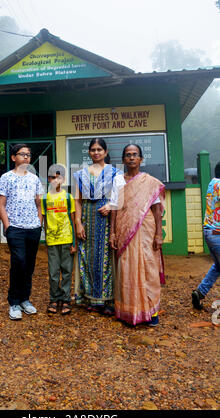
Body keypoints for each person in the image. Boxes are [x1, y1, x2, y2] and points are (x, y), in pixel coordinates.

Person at [110, 144, 165, 326]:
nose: (131, 158)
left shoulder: (149, 182)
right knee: (126, 268)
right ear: (123, 160)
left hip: (146, 230)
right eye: (128, 155)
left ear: (141, 159)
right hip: (123, 229)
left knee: (148, 267)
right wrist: (112, 233)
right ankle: (129, 311)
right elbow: (115, 209)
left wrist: (158, 234)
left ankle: (152, 311)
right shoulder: (118, 181)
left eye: (135, 155)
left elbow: (157, 209)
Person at [73, 138, 124, 314]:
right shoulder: (80, 174)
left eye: (99, 149)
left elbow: (121, 198)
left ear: (106, 152)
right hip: (87, 217)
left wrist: (110, 206)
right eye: (93, 150)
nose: (96, 152)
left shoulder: (116, 173)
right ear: (89, 152)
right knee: (87, 256)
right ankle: (89, 297)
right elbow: (77, 201)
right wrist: (78, 223)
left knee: (106, 258)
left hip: (107, 219)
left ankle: (107, 300)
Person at [0, 144, 44, 320]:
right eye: (22, 154)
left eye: (28, 155)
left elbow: (39, 204)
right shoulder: (6, 178)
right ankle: (14, 302)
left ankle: (25, 299)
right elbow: (1, 204)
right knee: (19, 262)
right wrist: (8, 226)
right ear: (13, 157)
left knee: (29, 264)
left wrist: (39, 223)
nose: (26, 158)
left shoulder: (34, 179)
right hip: (15, 228)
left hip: (33, 228)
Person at [41, 164, 76, 315]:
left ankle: (66, 299)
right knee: (53, 272)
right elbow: (45, 220)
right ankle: (54, 299)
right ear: (48, 179)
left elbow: (73, 220)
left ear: (63, 179)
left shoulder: (68, 197)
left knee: (67, 271)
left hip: (67, 238)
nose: (55, 180)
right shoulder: (45, 198)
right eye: (52, 177)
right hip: (52, 240)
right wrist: (46, 239)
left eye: (58, 177)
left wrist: (74, 242)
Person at [192, 162, 220, 310]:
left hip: (209, 231)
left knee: (218, 266)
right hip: (217, 233)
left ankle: (200, 292)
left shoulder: (212, 183)